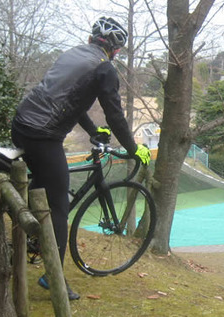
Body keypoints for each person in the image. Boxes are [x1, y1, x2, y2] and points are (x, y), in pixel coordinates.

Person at [11, 17, 150, 300]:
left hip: (22, 125)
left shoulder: (72, 54)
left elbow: (69, 99)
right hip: (43, 136)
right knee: (60, 205)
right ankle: (53, 277)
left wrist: (91, 130)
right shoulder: (105, 68)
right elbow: (115, 115)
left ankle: (34, 236)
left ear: (91, 39)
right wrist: (134, 148)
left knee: (43, 186)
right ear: (116, 50)